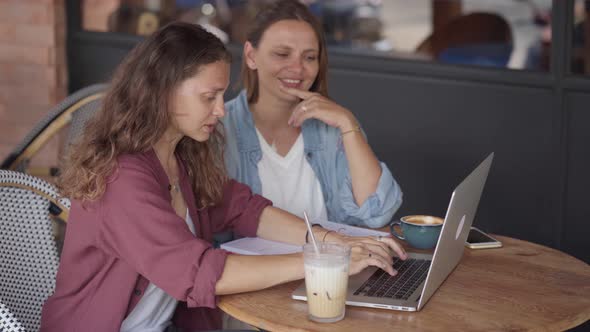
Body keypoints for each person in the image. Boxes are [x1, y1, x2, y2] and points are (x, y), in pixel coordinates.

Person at [40, 22, 406, 332]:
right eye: (209, 96)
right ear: (163, 93)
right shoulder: (123, 178)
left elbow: (242, 208)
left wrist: (330, 240)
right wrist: (322, 260)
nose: (220, 110)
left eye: (222, 95)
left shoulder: (178, 155)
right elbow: (197, 270)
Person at [223, 0, 402, 228]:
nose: (297, 68)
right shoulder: (218, 127)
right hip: (253, 264)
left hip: (327, 264)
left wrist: (348, 124)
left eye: (309, 57)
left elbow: (379, 212)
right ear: (250, 55)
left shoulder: (334, 127)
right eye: (282, 54)